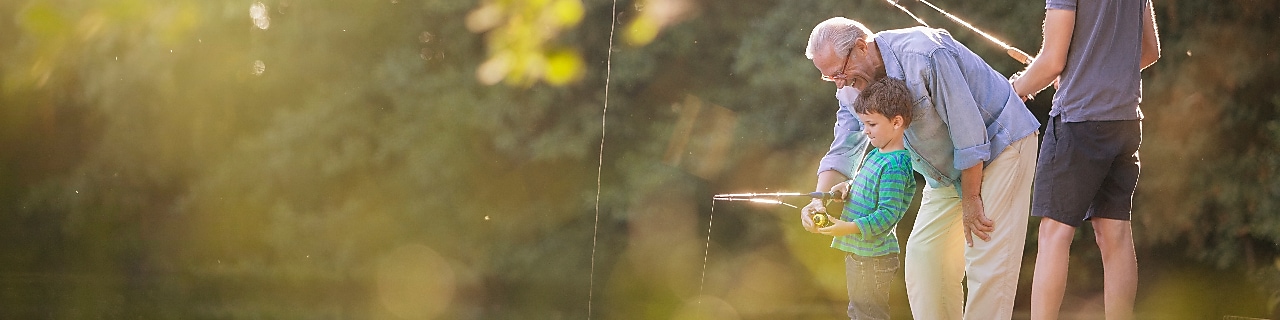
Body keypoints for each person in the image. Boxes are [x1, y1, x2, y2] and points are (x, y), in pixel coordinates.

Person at [800, 18, 1040, 320]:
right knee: (925, 259)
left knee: (986, 260)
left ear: (861, 47)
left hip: (1000, 146)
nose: (838, 82)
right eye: (828, 78)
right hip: (947, 170)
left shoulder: (924, 54)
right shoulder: (851, 86)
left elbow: (969, 132)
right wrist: (818, 198)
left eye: (838, 72)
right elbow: (846, 142)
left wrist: (971, 199)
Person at [1009, 0, 1161, 318]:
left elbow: (1051, 61)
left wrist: (1016, 89)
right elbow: (1149, 51)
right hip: (1125, 120)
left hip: (1079, 121)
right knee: (1115, 233)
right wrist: (1091, 71)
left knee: (1054, 234)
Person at [810, 77, 917, 320]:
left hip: (874, 259)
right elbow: (864, 183)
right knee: (857, 312)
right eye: (863, 124)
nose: (866, 130)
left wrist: (846, 227)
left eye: (871, 124)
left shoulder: (896, 165)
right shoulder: (876, 155)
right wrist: (847, 187)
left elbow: (887, 214)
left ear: (897, 122)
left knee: (869, 314)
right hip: (860, 255)